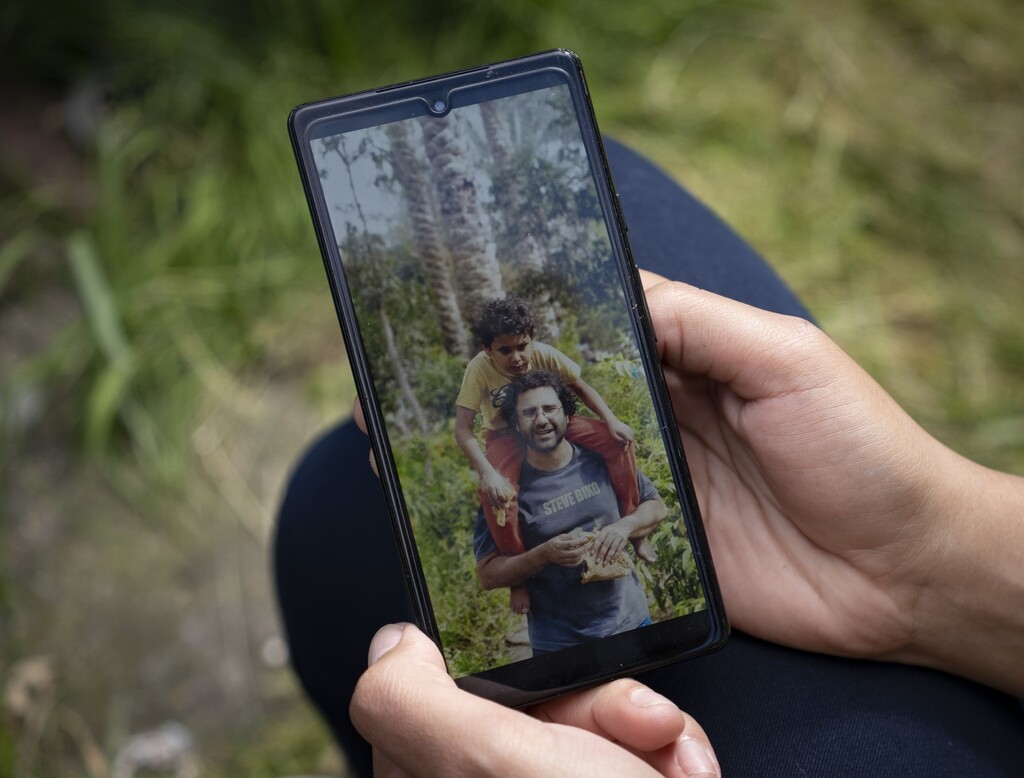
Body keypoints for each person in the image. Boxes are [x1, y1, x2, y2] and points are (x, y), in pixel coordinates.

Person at [274, 139, 1024, 776]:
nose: (514, 361)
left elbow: (584, 400)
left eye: (519, 354)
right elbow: (470, 431)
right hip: (520, 510)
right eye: (505, 356)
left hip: (634, 574)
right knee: (366, 478)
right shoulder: (482, 380)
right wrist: (493, 479)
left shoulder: (551, 370)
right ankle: (523, 596)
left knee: (329, 497)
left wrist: (619, 439)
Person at [455, 296, 656, 616]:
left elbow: (581, 387)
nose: (517, 358)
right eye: (505, 350)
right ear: (487, 349)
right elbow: (462, 430)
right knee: (498, 496)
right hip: (505, 436)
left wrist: (611, 420)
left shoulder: (544, 355)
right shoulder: (479, 369)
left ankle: (635, 531)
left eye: (522, 346)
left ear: (532, 338)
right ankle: (518, 578)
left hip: (547, 422)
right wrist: (488, 473)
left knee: (617, 442)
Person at [473, 369, 667, 653]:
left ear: (566, 414)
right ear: (516, 425)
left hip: (633, 624)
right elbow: (488, 576)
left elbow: (656, 506)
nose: (541, 420)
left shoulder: (602, 460)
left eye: (550, 408)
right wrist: (543, 554)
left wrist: (623, 527)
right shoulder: (504, 491)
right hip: (559, 646)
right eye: (529, 413)